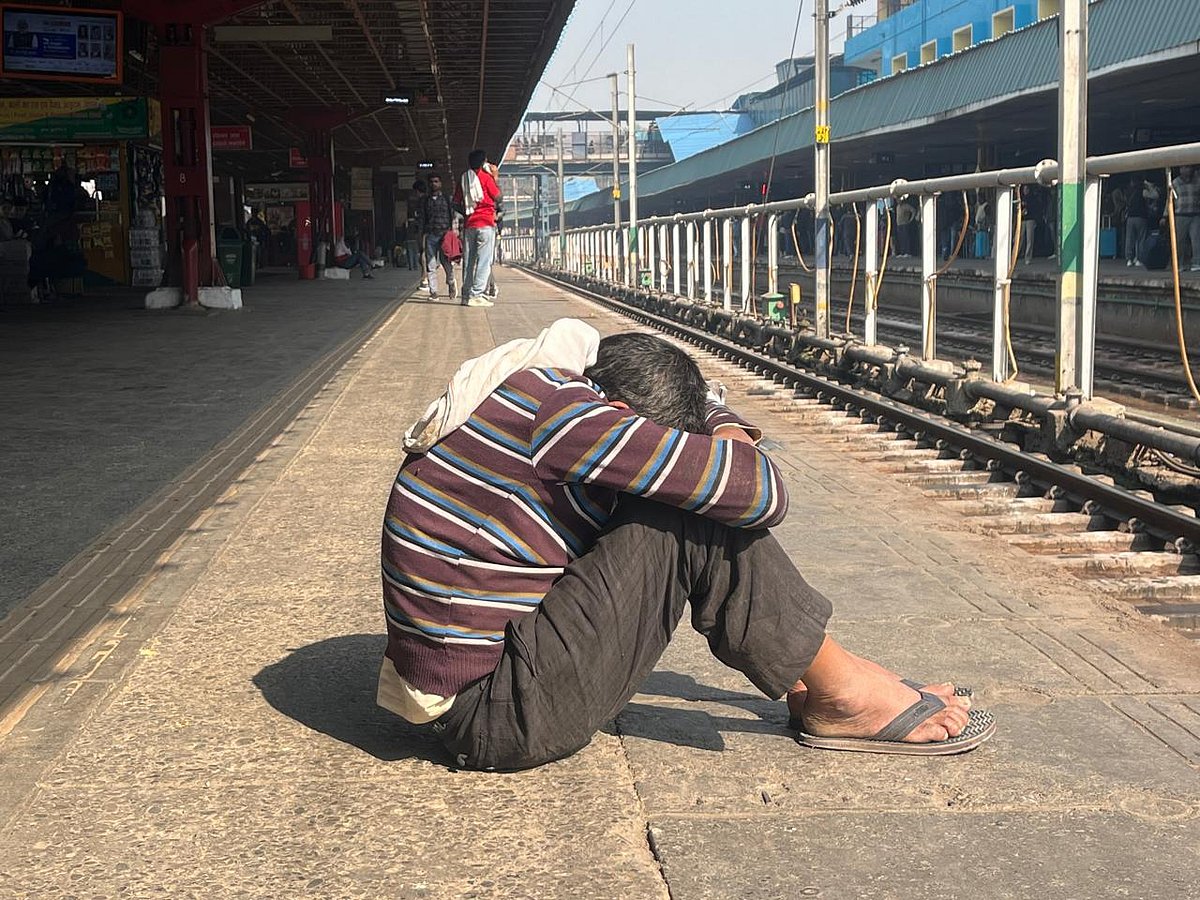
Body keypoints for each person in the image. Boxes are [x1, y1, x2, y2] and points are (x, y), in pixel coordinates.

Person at [377, 321, 994, 771]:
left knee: (685, 498)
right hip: (494, 716)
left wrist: (702, 411)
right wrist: (719, 420)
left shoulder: (533, 394)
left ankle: (832, 678)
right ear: (619, 413)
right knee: (687, 518)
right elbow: (761, 489)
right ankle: (844, 694)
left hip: (475, 691)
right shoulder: (567, 421)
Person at [454, 149, 502, 307]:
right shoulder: (486, 178)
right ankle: (477, 294)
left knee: (469, 261)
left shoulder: (464, 179)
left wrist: (468, 213)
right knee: (484, 261)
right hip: (486, 224)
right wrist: (495, 177)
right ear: (483, 163)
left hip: (469, 225)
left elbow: (455, 203)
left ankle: (466, 295)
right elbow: (498, 197)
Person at [422, 174, 456, 300]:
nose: (433, 184)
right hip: (431, 234)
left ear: (440, 183)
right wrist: (422, 235)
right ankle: (433, 291)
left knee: (446, 262)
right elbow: (423, 218)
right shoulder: (426, 200)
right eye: (431, 182)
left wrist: (454, 234)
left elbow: (452, 216)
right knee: (431, 264)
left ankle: (451, 282)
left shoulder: (447, 199)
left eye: (436, 181)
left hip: (445, 234)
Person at [1170, 165, 1200, 272]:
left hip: (1195, 214)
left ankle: (1196, 263)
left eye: (1188, 167)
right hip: (1180, 215)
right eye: (1183, 168)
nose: (1186, 170)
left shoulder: (1198, 181)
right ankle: (1180, 264)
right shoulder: (1175, 183)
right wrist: (1165, 216)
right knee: (1179, 241)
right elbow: (1170, 200)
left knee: (1196, 241)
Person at [1124, 175, 1151, 268]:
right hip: (1141, 217)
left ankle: (1129, 259)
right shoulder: (1142, 191)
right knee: (1141, 239)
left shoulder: (1128, 192)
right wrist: (1149, 186)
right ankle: (1139, 259)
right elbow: (1155, 195)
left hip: (1130, 217)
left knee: (1129, 239)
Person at [1020, 184, 1043, 264]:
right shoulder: (1021, 198)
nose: (1025, 191)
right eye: (1024, 189)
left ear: (1029, 190)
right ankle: (1019, 254)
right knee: (1020, 238)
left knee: (1029, 239)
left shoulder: (1033, 199)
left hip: (1030, 219)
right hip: (1022, 220)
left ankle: (1028, 257)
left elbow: (1035, 209)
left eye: (1026, 189)